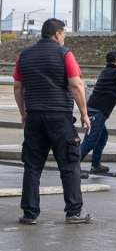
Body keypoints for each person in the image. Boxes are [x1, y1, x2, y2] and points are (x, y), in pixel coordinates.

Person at [12, 18, 92, 225]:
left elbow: (18, 87)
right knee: (69, 164)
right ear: (57, 34)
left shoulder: (24, 55)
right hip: (59, 117)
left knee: (32, 166)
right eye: (63, 33)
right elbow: (76, 85)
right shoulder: (64, 54)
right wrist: (84, 113)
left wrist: (24, 113)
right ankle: (74, 212)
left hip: (35, 117)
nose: (64, 37)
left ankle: (29, 213)